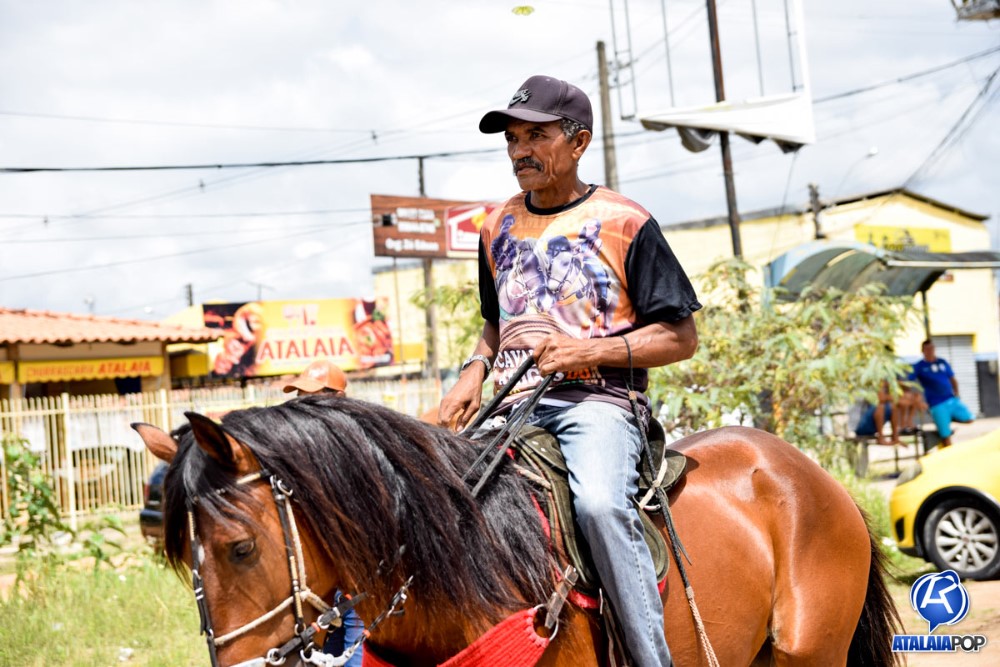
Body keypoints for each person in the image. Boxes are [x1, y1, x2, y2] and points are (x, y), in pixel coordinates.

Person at [438, 74, 701, 667]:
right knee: (442, 502)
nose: (520, 151)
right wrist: (473, 370)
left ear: (578, 143)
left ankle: (650, 658)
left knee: (600, 507)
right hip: (509, 408)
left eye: (536, 136)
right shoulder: (496, 225)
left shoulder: (626, 221)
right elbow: (495, 323)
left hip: (597, 405)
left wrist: (589, 352)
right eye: (512, 139)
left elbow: (681, 337)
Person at [282, 359, 361, 665]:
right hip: (329, 589)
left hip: (360, 587)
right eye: (300, 398)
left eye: (311, 398)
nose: (302, 406)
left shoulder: (352, 446)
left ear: (338, 399)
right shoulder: (311, 449)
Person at [909, 339, 974, 447]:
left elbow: (952, 378)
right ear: (923, 350)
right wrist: (918, 399)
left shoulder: (942, 362)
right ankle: (948, 452)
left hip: (951, 399)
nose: (930, 350)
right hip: (936, 403)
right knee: (945, 435)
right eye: (927, 349)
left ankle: (948, 418)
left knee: (970, 419)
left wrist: (957, 393)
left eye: (932, 348)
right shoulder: (919, 366)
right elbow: (909, 382)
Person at [855, 380, 898, 445]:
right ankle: (880, 438)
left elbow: (896, 399)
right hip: (860, 427)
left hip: (872, 427)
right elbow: (881, 398)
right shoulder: (864, 387)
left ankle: (895, 438)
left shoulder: (886, 387)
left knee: (893, 406)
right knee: (880, 407)